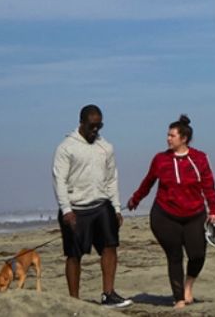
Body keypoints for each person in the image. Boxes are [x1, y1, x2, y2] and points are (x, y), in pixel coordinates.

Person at [126, 114, 215, 308]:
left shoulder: (199, 158)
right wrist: (135, 199)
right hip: (165, 215)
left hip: (194, 215)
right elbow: (148, 182)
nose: (168, 139)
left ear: (183, 138)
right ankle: (179, 298)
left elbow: (209, 185)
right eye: (168, 135)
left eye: (172, 135)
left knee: (197, 255)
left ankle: (188, 286)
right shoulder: (160, 159)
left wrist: (213, 210)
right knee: (175, 256)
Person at [52, 104, 131, 308]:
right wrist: (66, 210)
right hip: (76, 209)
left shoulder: (106, 147)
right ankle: (74, 301)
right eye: (91, 126)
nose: (95, 130)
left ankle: (108, 294)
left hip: (101, 205)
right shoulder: (66, 147)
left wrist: (116, 208)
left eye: (99, 126)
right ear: (82, 123)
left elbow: (112, 178)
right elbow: (59, 180)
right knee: (74, 255)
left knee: (110, 247)